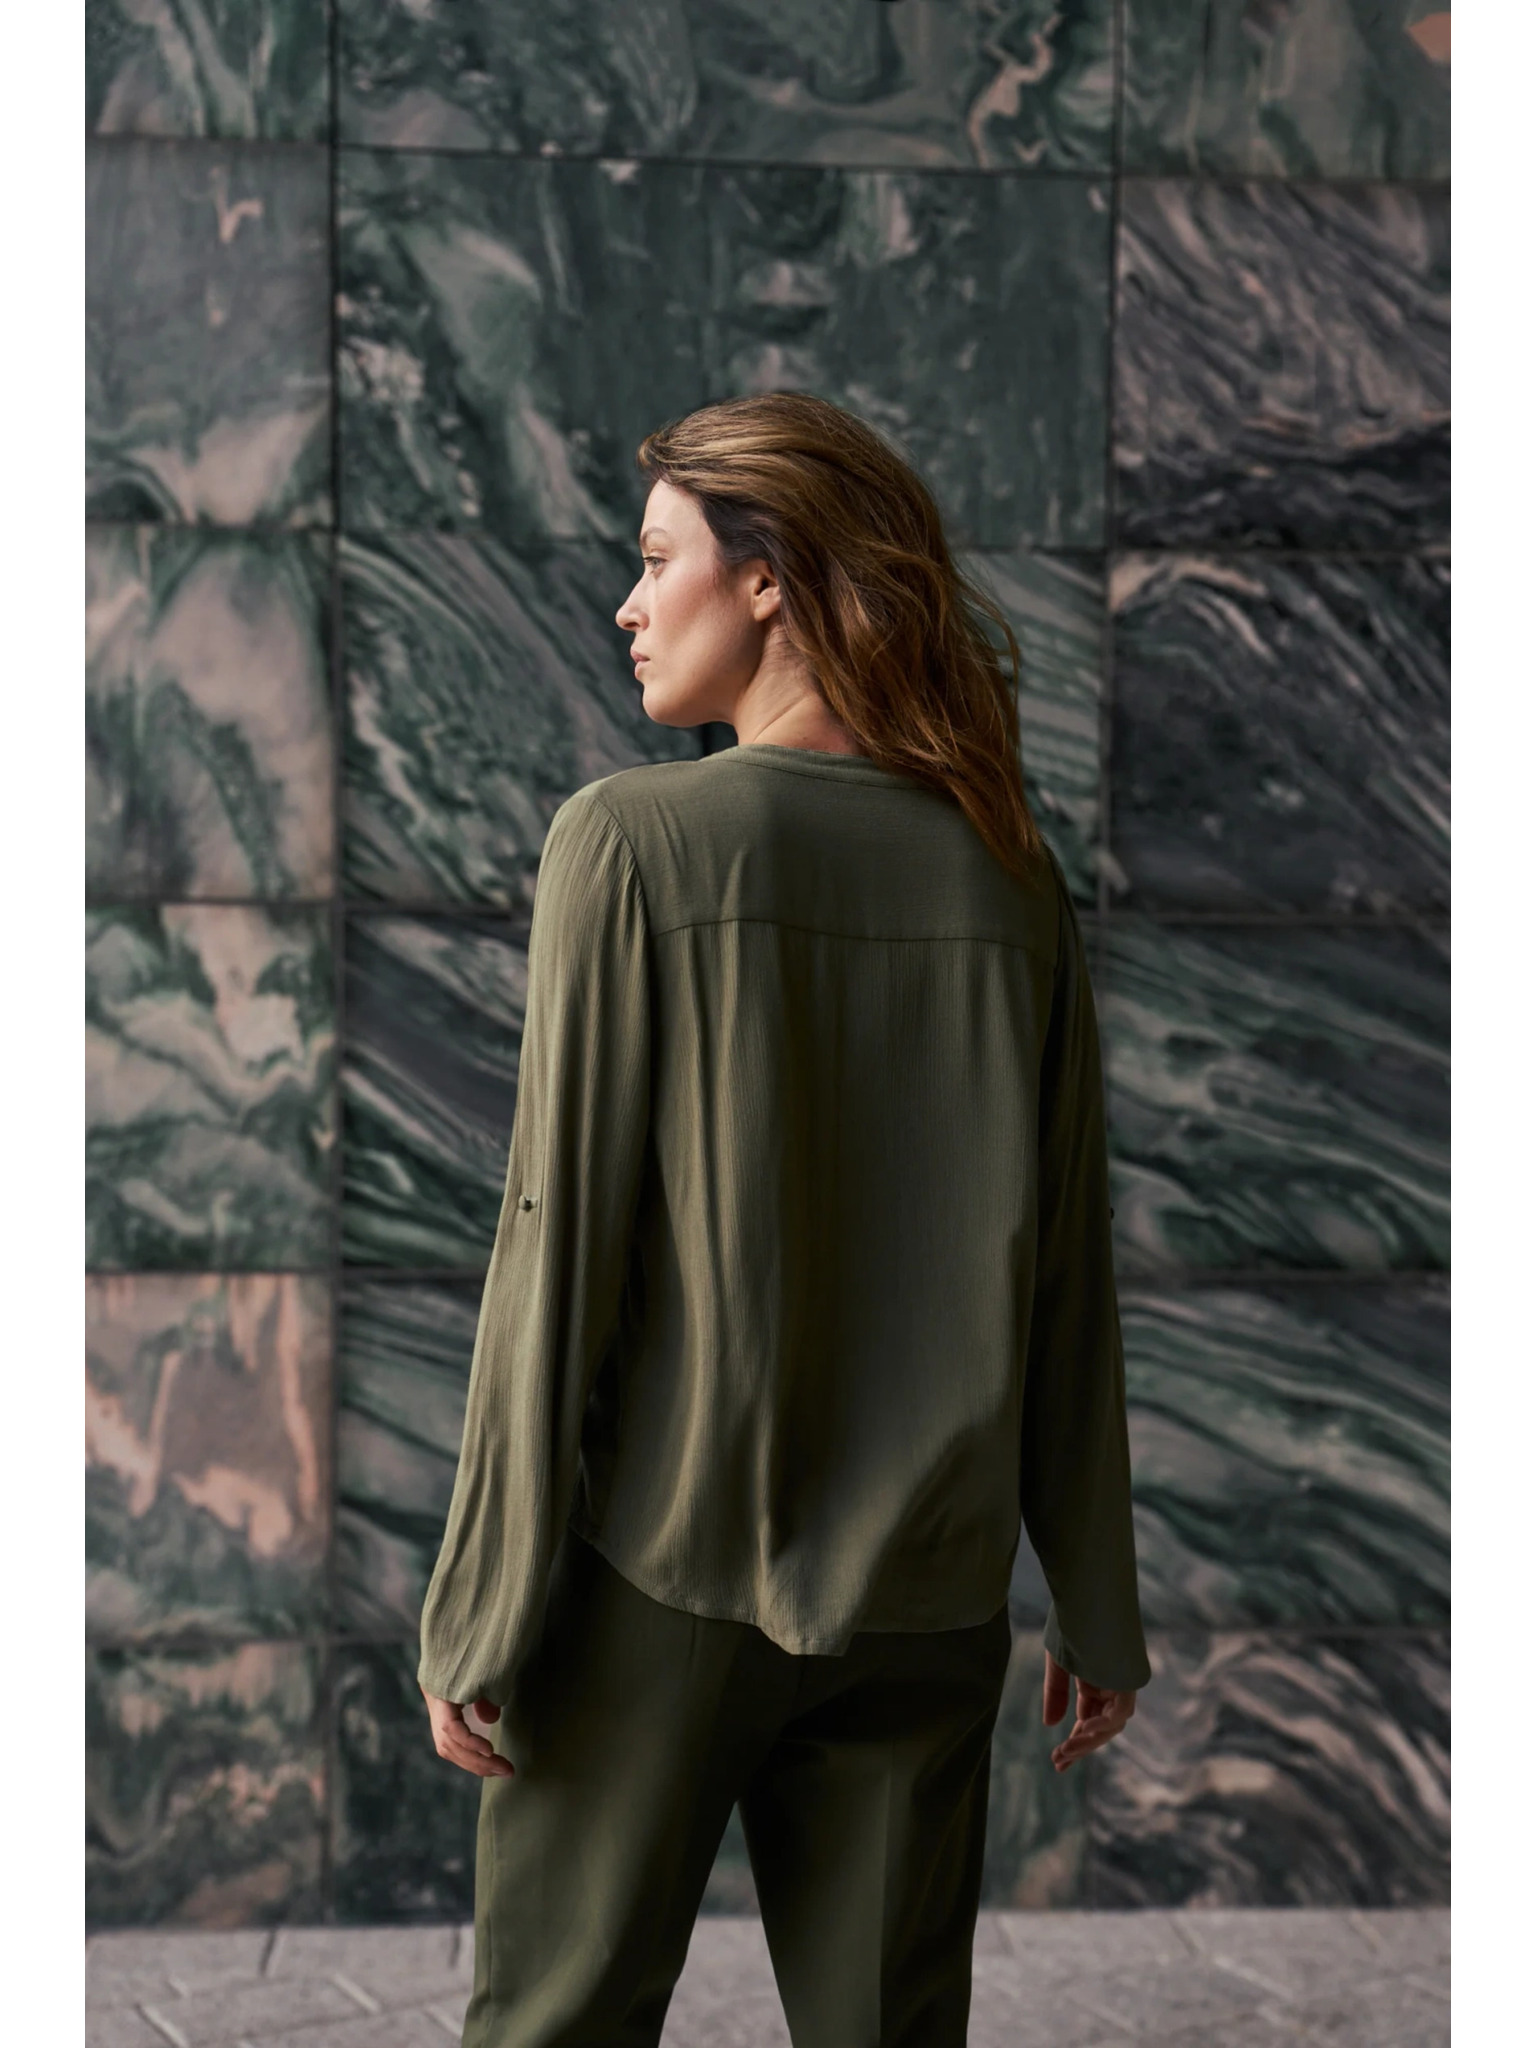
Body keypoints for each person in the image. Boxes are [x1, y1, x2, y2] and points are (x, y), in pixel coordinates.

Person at [417, 391, 1151, 2047]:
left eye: (655, 558)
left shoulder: (630, 841)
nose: (628, 603)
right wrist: (1095, 1598)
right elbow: (1066, 1273)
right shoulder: (1007, 872)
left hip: (658, 1583)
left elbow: (556, 1249)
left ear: (769, 581)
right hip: (930, 1601)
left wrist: (484, 1599)